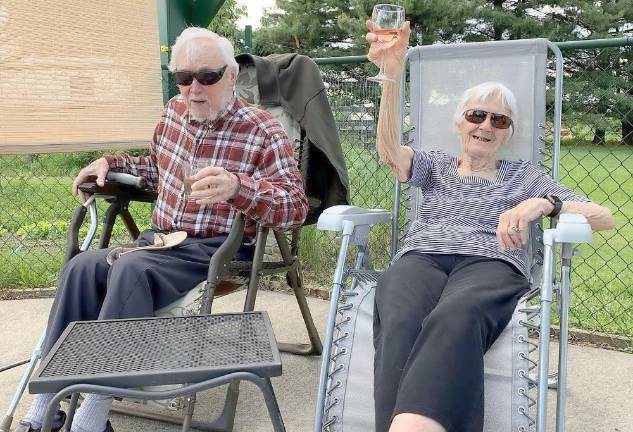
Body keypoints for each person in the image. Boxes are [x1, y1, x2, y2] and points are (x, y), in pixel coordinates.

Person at [13, 27, 308, 432]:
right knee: (81, 268)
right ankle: (46, 403)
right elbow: (156, 169)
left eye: (206, 77)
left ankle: (95, 413)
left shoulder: (261, 130)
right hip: (160, 242)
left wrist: (239, 188)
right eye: (184, 78)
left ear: (229, 76)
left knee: (132, 270)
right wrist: (111, 165)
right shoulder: (173, 113)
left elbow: (294, 208)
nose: (194, 89)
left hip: (216, 248)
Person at [366, 20, 615, 432]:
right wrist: (391, 77)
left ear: (508, 133)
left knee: (457, 314)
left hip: (490, 263)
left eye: (499, 121)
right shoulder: (434, 164)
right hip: (423, 256)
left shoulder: (524, 175)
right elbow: (388, 150)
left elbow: (602, 216)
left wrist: (544, 203)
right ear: (460, 123)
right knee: (400, 313)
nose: (485, 125)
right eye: (476, 115)